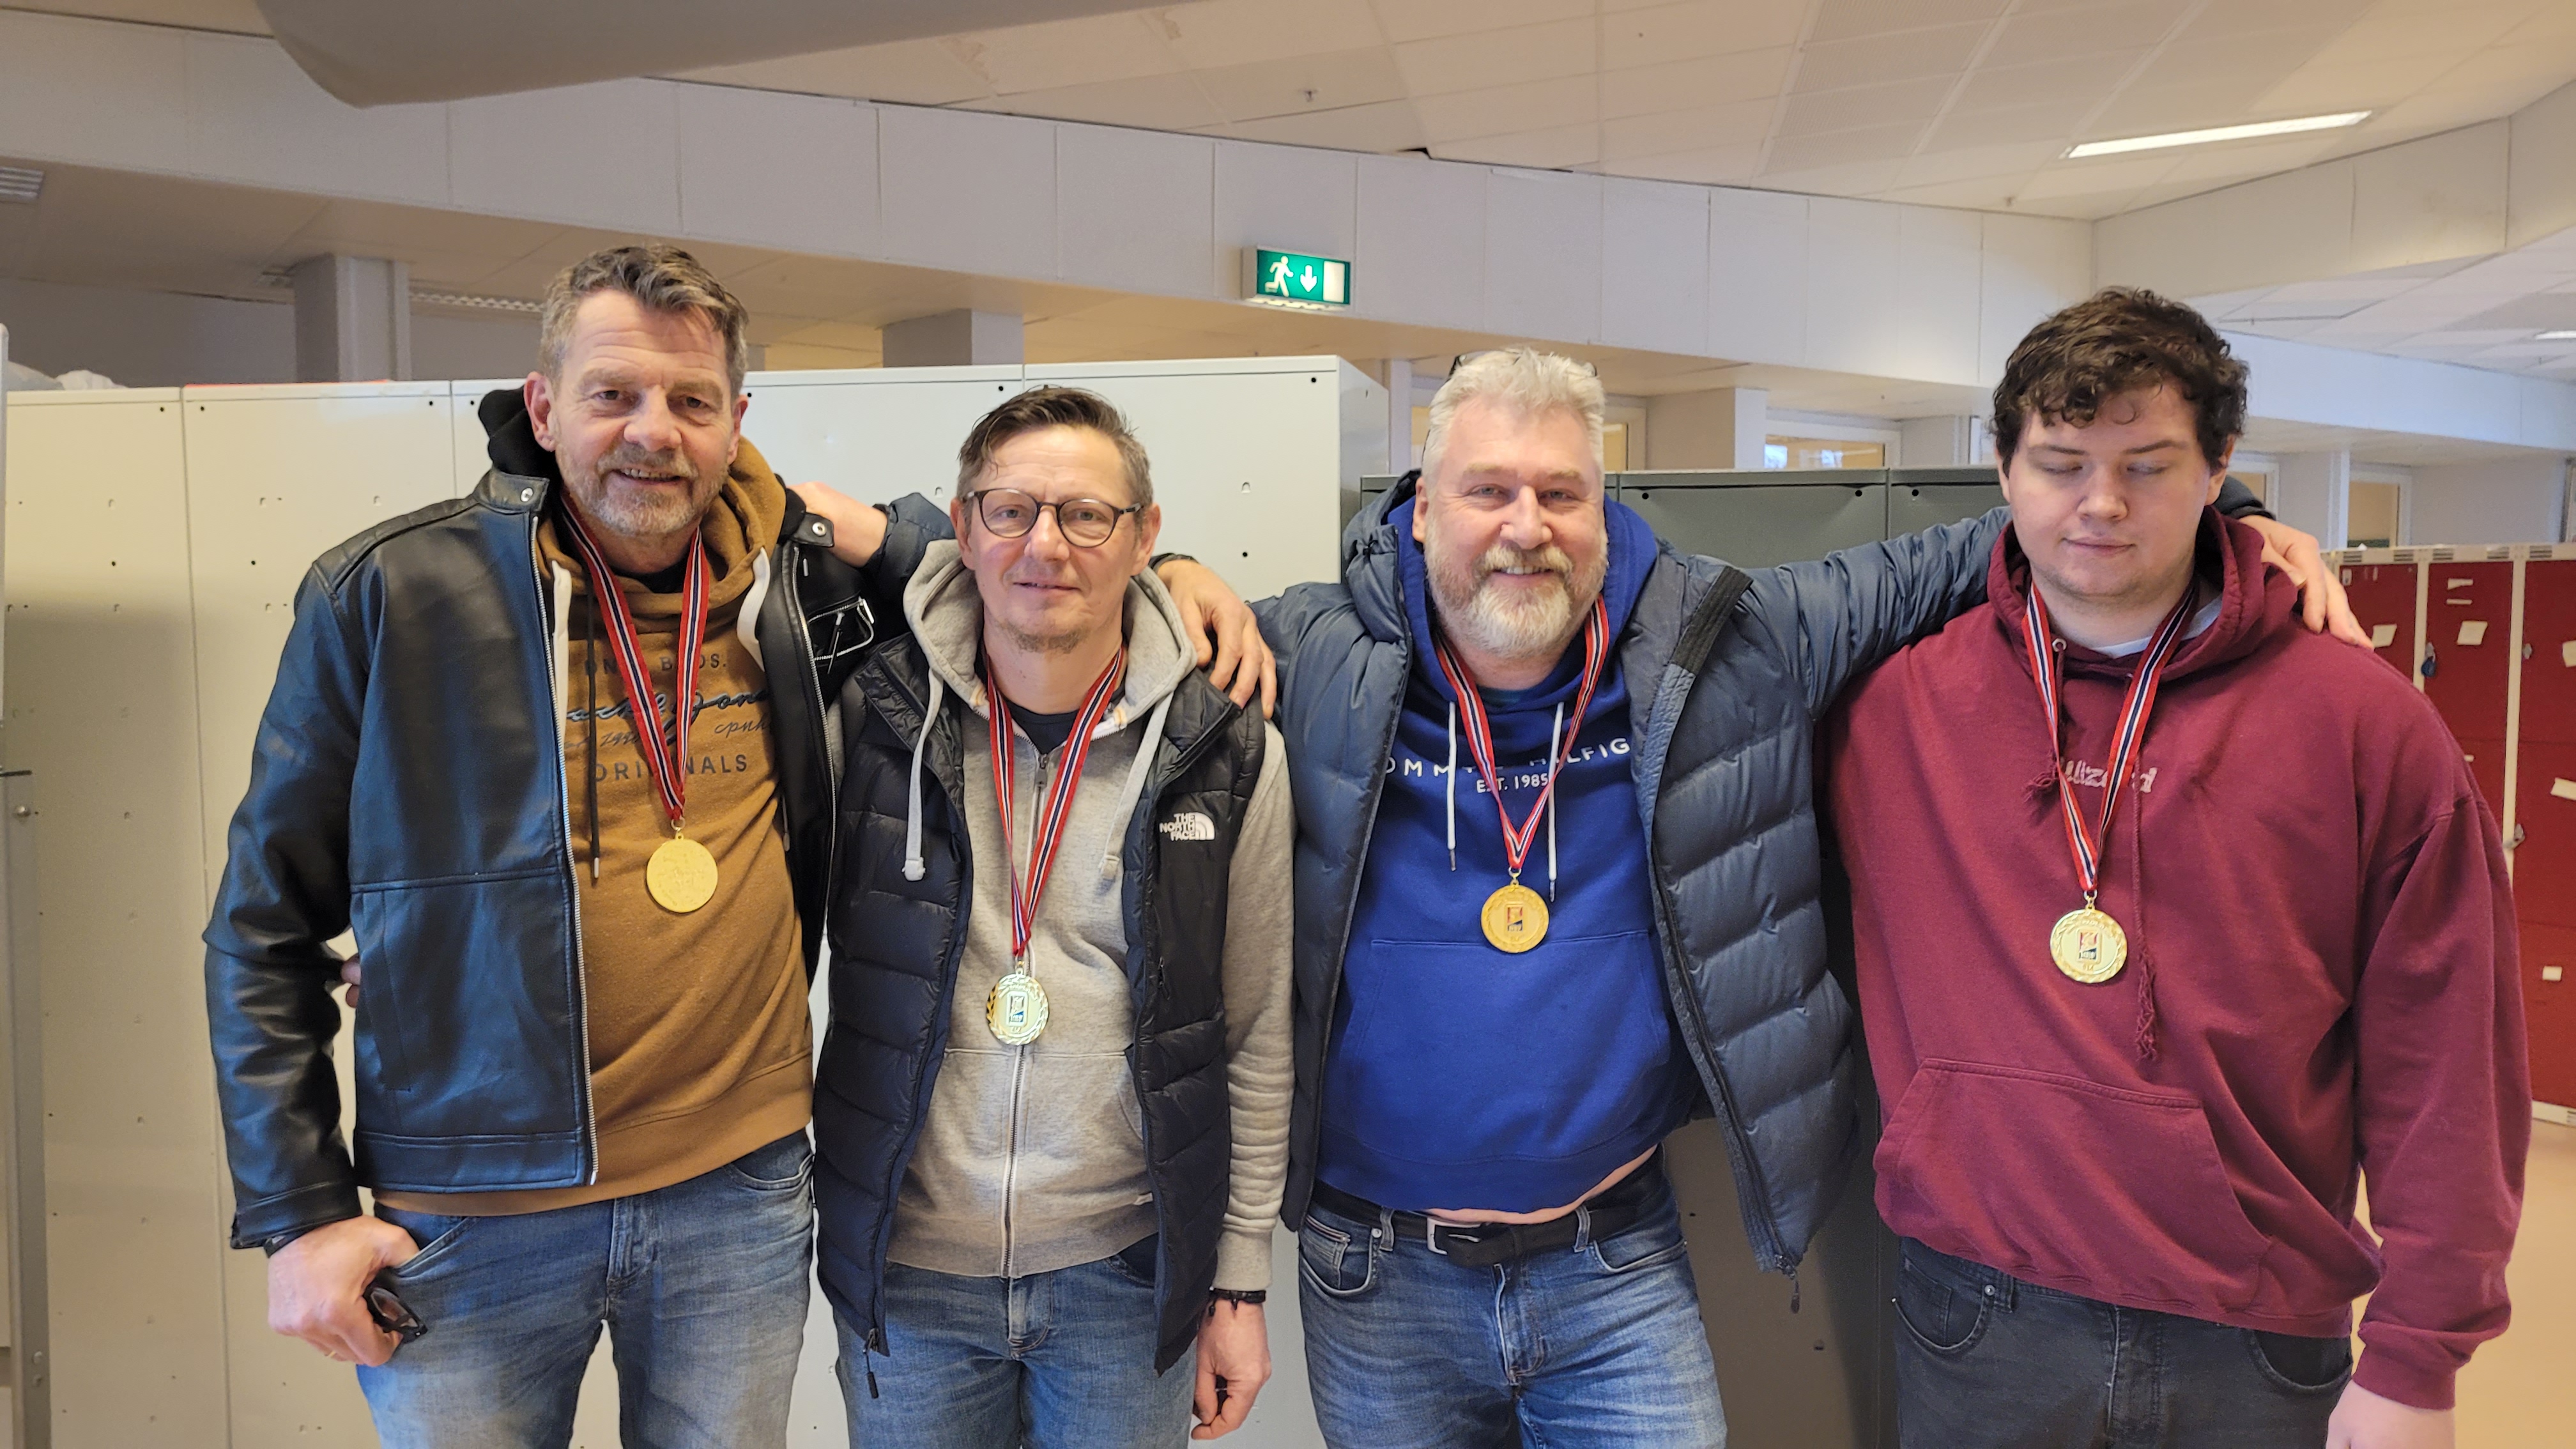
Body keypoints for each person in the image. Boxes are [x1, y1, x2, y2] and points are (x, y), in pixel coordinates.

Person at [796, 346, 2355, 1448]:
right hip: (1373, 1273)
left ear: (1604, 511)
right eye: (1486, 489)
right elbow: (1063, 587)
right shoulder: (1313, 655)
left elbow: (1977, 546)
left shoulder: (1730, 648)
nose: (1523, 526)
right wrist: (1176, 563)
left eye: (1560, 492)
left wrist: (2221, 526)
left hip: (1617, 1264)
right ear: (1421, 506)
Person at [203, 245, 1268, 1449]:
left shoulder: (797, 590)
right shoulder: (392, 595)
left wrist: (1171, 578)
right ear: (542, 408)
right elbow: (261, 925)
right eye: (613, 394)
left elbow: (1001, 560)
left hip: (738, 1195)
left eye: (691, 400)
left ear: (736, 423)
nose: (652, 432)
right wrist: (297, 1210)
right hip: (471, 1208)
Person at [1823, 288, 2527, 1449]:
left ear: (2220, 471)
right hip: (1978, 1315)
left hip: (2255, 1336)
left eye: (2147, 466)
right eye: (2061, 464)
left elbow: (2448, 1053)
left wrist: (2417, 1357)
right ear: (2003, 471)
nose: (2100, 503)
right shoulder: (1893, 709)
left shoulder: (2361, 724)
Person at [809, 387, 1291, 1446]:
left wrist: (1240, 1279)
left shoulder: (1224, 748)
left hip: (1124, 1272)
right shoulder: (869, 719)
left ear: (1145, 536)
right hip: (912, 1275)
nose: (1046, 546)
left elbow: (1256, 1032)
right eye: (1011, 510)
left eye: (1086, 515)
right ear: (963, 526)